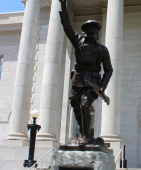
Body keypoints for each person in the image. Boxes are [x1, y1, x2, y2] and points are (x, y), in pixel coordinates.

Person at [59, 0, 113, 144]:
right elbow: (67, 26)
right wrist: (63, 6)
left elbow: (109, 69)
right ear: (86, 30)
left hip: (93, 82)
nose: (92, 31)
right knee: (76, 106)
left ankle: (84, 136)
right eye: (90, 29)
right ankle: (85, 134)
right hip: (77, 79)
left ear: (97, 32)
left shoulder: (102, 49)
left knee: (85, 104)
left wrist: (103, 85)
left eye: (94, 29)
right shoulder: (78, 41)